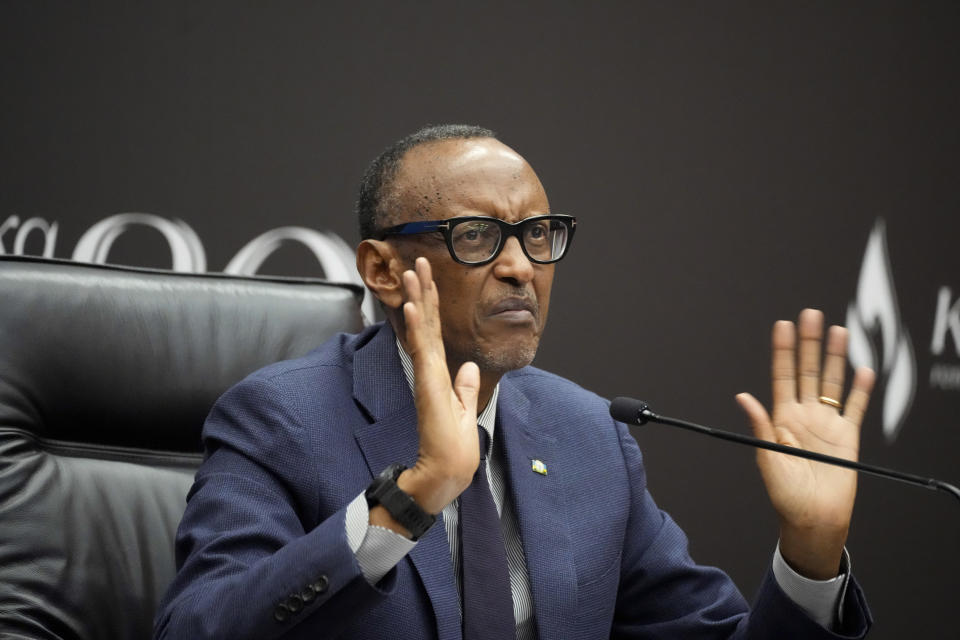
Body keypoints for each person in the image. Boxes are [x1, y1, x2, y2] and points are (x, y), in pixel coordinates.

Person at [154, 124, 876, 639]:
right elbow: (196, 627)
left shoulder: (590, 435)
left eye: (539, 234)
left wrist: (809, 553)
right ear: (380, 269)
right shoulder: (282, 419)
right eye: (476, 235)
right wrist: (411, 498)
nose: (520, 266)